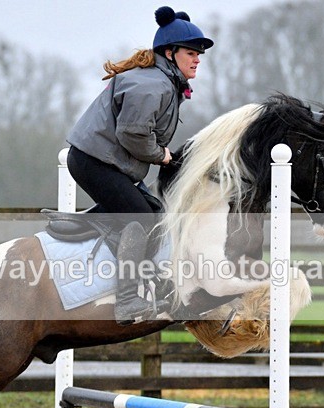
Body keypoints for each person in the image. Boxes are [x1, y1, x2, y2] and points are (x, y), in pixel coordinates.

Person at [66, 6, 214, 325]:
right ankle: (128, 300)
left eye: (199, 53)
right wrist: (162, 155)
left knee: (156, 215)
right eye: (191, 52)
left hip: (102, 161)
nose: (198, 58)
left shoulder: (161, 82)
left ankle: (153, 282)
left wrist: (164, 154)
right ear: (170, 53)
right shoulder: (153, 85)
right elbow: (132, 133)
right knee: (142, 219)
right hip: (95, 162)